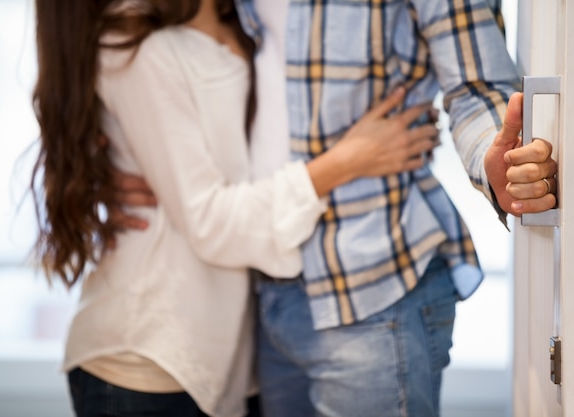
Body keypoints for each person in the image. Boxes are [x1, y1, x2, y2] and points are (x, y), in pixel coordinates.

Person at [110, 0, 558, 416]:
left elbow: (475, 87)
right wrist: (97, 159)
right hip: (265, 296)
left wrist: (494, 159)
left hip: (374, 284)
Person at [30, 0, 442, 416]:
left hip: (233, 358)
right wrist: (347, 161)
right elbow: (210, 222)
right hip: (149, 357)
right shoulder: (135, 43)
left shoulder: (245, 17)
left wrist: (399, 130)